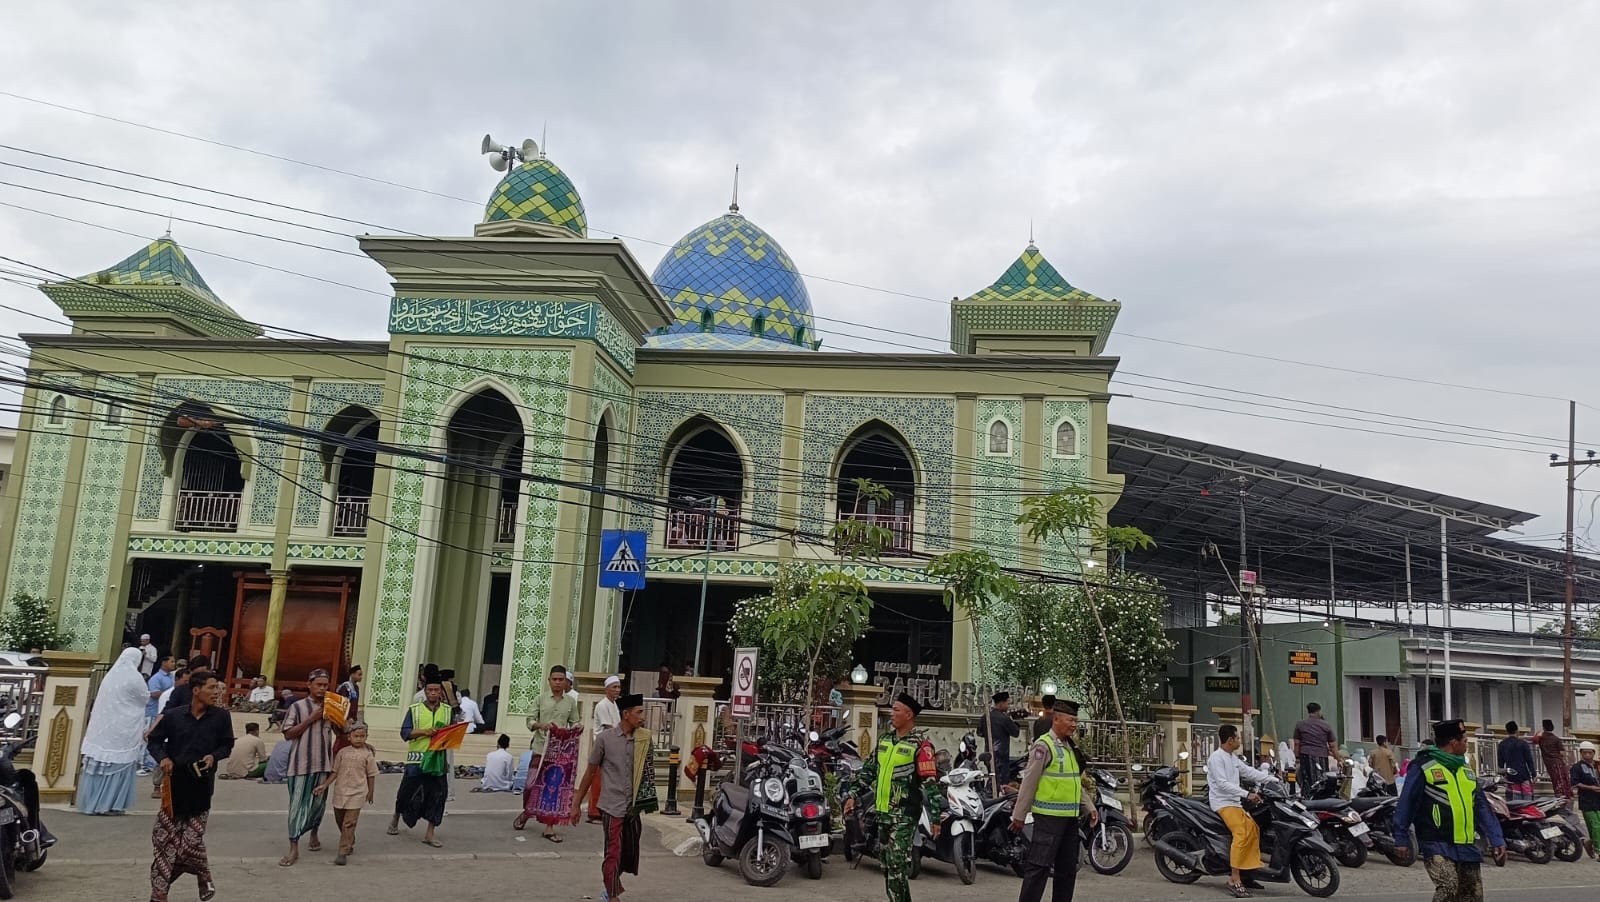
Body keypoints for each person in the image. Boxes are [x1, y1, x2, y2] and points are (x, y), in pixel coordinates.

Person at [845, 693, 943, 902]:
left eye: (896, 710)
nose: (892, 713)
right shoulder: (884, 741)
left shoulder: (921, 746)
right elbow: (869, 771)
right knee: (887, 865)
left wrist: (935, 817)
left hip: (905, 814)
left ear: (908, 715)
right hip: (883, 812)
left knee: (897, 863)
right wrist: (853, 794)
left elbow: (930, 784)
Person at [1394, 719, 1506, 902]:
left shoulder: (1466, 770)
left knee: (1473, 895)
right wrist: (1401, 837)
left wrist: (1497, 839)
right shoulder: (1424, 766)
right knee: (1448, 886)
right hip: (1436, 843)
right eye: (1464, 740)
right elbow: (1407, 802)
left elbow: (1482, 807)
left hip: (1466, 845)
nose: (1466, 744)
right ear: (1453, 742)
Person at [146, 671, 233, 902]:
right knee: (164, 842)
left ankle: (202, 874)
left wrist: (214, 757)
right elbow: (153, 741)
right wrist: (163, 758)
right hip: (174, 788)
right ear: (196, 690)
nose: (217, 693)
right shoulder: (173, 716)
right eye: (212, 688)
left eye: (218, 688)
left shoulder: (222, 717)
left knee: (189, 844)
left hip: (201, 787)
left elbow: (227, 745)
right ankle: (159, 894)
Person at [570, 693, 655, 902]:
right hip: (611, 805)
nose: (642, 717)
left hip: (632, 807)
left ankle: (610, 885)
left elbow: (647, 773)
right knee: (613, 852)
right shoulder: (605, 739)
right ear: (626, 715)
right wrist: (576, 804)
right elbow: (590, 772)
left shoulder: (644, 739)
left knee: (629, 853)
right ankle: (613, 895)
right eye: (639, 712)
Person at [1012, 698, 1096, 902]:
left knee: (1067, 871)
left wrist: (1089, 808)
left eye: (1076, 721)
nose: (1075, 725)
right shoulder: (1044, 746)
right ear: (1056, 719)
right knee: (1038, 868)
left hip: (1069, 819)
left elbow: (1074, 781)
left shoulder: (1070, 748)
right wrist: (1019, 815)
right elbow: (1029, 782)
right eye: (1071, 720)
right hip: (1048, 818)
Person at [80, 647, 152, 814]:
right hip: (122, 731)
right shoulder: (135, 677)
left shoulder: (110, 676)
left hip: (103, 729)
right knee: (118, 764)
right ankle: (110, 804)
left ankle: (93, 803)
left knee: (101, 767)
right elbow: (144, 698)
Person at [1208, 723, 1275, 898]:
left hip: (1234, 803)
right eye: (1237, 738)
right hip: (1223, 803)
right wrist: (1247, 794)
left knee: (1254, 830)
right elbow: (1222, 784)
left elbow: (1249, 772)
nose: (1239, 740)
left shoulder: (1232, 758)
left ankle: (1247, 873)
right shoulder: (1217, 758)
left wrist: (1272, 780)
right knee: (1241, 834)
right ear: (1230, 740)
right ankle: (1234, 878)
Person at [281, 668, 338, 867]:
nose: (322, 688)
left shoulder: (330, 706)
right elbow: (288, 734)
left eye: (325, 685)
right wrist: (311, 719)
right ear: (309, 685)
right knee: (297, 805)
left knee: (318, 804)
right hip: (300, 764)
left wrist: (340, 715)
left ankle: (314, 833)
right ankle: (293, 846)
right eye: (319, 685)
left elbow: (342, 730)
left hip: (323, 764)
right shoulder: (297, 707)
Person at [517, 665, 582, 839]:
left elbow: (575, 722)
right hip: (540, 748)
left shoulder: (570, 702)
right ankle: (527, 812)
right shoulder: (540, 699)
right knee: (530, 785)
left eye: (561, 680)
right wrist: (541, 726)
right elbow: (530, 720)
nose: (558, 683)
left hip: (559, 754)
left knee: (552, 790)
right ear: (549, 681)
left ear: (566, 682)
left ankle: (549, 827)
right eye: (555, 679)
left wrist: (576, 728)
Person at [389, 677, 452, 847]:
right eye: (430, 690)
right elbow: (405, 732)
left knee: (438, 796)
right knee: (406, 792)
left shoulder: (447, 711)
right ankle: (395, 817)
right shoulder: (414, 710)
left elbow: (452, 732)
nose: (433, 693)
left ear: (440, 692)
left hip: (438, 760)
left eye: (436, 690)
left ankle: (430, 834)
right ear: (424, 692)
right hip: (417, 759)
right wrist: (425, 732)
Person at [313, 721, 377, 866]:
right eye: (356, 736)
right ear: (349, 737)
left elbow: (371, 775)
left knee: (349, 823)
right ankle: (350, 839)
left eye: (362, 736)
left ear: (366, 737)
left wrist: (371, 792)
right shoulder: (342, 753)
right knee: (340, 820)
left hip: (358, 793)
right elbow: (335, 772)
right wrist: (324, 785)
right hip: (340, 792)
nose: (359, 739)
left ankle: (342, 852)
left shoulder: (368, 755)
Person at [586, 675, 623, 823]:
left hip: (611, 746)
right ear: (606, 689)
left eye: (619, 687)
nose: (617, 690)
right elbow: (609, 727)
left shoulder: (614, 704)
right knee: (598, 780)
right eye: (614, 687)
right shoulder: (603, 705)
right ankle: (594, 812)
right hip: (602, 747)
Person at [142, 655, 177, 774]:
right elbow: (154, 693)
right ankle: (148, 764)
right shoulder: (156, 678)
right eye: (171, 661)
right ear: (164, 662)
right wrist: (169, 694)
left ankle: (153, 763)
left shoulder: (172, 677)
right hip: (154, 712)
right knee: (152, 738)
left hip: (165, 713)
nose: (174, 663)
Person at [1292, 702, 1337, 789]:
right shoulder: (1326, 725)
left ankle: (1307, 796)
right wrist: (1338, 759)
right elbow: (1333, 745)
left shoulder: (1300, 724)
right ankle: (1321, 796)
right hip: (1321, 756)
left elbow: (1297, 743)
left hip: (1305, 756)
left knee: (1307, 779)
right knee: (1322, 778)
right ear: (1318, 712)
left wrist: (1297, 758)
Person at [981, 691, 1022, 785]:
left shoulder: (985, 717)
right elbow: (1015, 733)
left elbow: (980, 732)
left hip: (988, 754)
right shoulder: (1005, 719)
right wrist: (1014, 721)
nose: (1008, 706)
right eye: (1007, 703)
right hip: (1001, 756)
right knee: (1002, 783)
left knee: (992, 780)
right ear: (1001, 703)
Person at [1570, 740, 1600, 861]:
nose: (1587, 755)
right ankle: (1599, 850)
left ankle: (1589, 843)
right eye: (1585, 753)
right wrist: (1590, 787)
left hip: (1598, 799)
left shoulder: (1597, 765)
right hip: (1586, 799)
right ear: (1581, 753)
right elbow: (1575, 783)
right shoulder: (1577, 767)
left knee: (1597, 826)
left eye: (1590, 753)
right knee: (1595, 825)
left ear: (1594, 753)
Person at [1497, 721, 1536, 801]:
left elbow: (1500, 763)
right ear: (1517, 731)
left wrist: (1503, 773)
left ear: (1507, 731)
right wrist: (1533, 774)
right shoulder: (1523, 744)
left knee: (1514, 801)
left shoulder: (1502, 744)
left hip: (1511, 776)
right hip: (1524, 775)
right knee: (1527, 800)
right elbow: (1529, 760)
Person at [1533, 719, 1572, 800]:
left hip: (1549, 763)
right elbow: (1562, 753)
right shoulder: (1556, 739)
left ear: (1544, 727)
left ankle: (1559, 796)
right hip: (1558, 762)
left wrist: (1538, 733)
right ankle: (1564, 797)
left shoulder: (1541, 738)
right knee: (1562, 780)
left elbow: (1534, 741)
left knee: (1555, 780)